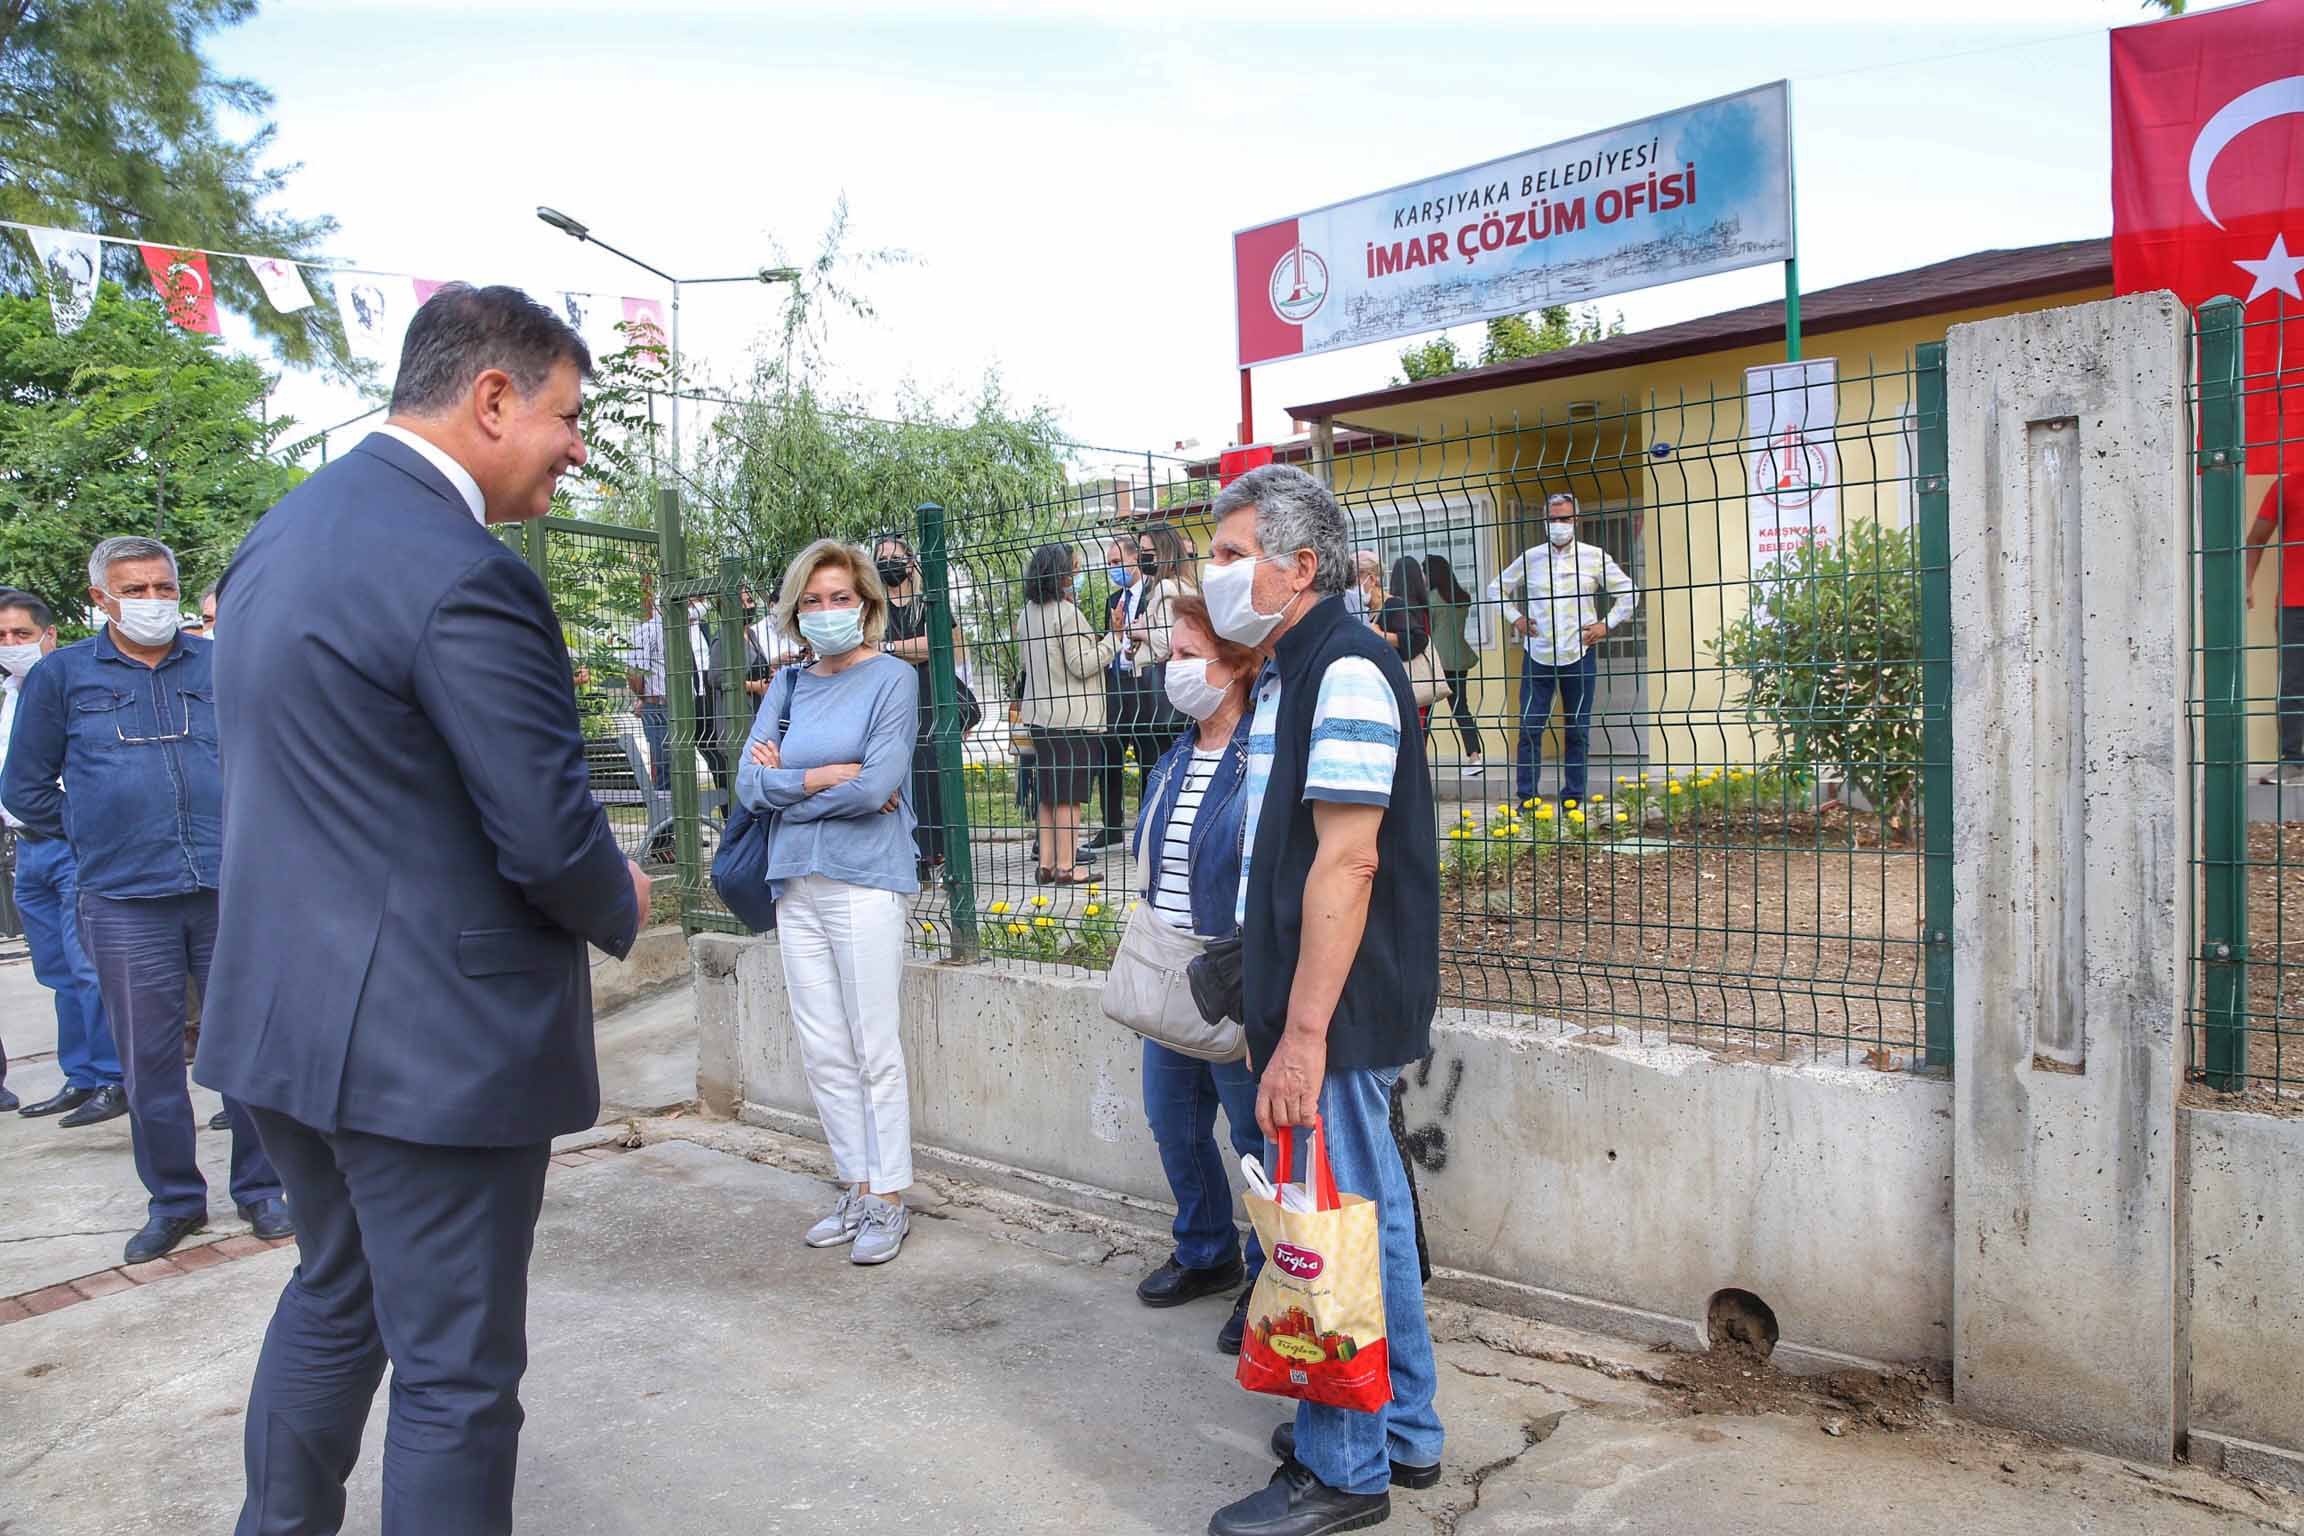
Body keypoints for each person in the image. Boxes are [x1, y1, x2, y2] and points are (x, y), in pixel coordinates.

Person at [194, 283, 650, 1535]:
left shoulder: (281, 536)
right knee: (456, 1375)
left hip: (285, 1020)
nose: (575, 449)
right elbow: (550, 833)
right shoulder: (465, 574)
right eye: (567, 417)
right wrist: (624, 892)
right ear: (492, 398)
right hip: (427, 1046)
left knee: (336, 1296)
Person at [1201, 463, 1444, 1536]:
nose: (1214, 576)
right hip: (1337, 998)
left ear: (1301, 566)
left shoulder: (1342, 668)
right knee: (1370, 1210)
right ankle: (1401, 1429)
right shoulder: (1299, 669)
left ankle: (1343, 1467)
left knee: (1324, 1223)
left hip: (1333, 1008)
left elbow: (1345, 863)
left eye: (1230, 555)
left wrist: (1300, 1037)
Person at [2, 537, 287, 1266]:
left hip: (231, 889)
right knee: (150, 1062)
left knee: (248, 1051)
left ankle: (261, 1189)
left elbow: (274, 752)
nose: (152, 601)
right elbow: (24, 787)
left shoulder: (221, 665)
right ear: (100, 599)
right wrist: (90, 831)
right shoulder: (63, 678)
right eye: (135, 589)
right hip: (125, 900)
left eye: (163, 587)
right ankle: (175, 1202)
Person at [736, 538, 921, 1265]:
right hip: (795, 882)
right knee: (822, 1047)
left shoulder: (891, 681)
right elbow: (750, 788)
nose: (826, 611)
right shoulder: (786, 687)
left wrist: (791, 788)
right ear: (794, 611)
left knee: (873, 1044)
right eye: (812, 601)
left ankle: (890, 1198)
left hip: (865, 880)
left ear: (867, 604)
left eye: (840, 598)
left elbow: (878, 788)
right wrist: (817, 784)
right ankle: (856, 1181)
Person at [1128, 593, 1266, 1355]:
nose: (1171, 669)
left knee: (1253, 1139)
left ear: (1237, 664)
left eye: (1187, 655)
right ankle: (1206, 1249)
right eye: (1171, 654)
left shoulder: (1260, 755)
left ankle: (1267, 1277)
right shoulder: (1179, 750)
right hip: (1167, 969)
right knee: (1172, 1121)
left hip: (1231, 973)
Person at [0, 590, 125, 1126]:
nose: (12, 646)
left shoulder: (77, 686)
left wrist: (78, 828)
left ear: (49, 635)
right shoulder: (8, 695)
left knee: (89, 967)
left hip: (72, 846)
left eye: (22, 635)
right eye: (2, 638)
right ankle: (82, 1076)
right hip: (27, 851)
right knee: (55, 972)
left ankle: (114, 1077)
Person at [1499, 492, 1636, 807]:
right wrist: (1516, 618)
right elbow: (1497, 589)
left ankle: (1573, 796)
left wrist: (1606, 624)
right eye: (1553, 519)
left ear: (1576, 520)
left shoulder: (1593, 556)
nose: (1558, 524)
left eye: (1565, 518)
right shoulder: (1530, 558)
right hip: (1539, 655)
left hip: (1580, 654)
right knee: (1530, 727)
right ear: (1544, 522)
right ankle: (1527, 798)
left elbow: (1629, 592)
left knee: (1577, 729)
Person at [1018, 542, 1122, 884]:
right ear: (1061, 573)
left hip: (1040, 717)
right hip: (1074, 718)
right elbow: (1082, 664)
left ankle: (1045, 865)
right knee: (1070, 797)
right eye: (1073, 570)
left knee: (1047, 793)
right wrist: (1112, 639)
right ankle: (1067, 866)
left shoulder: (1027, 613)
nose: (1075, 576)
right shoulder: (1067, 614)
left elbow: (1025, 665)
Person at [877, 533, 962, 881]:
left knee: (930, 777)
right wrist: (905, 649)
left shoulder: (928, 602)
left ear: (911, 562)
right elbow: (867, 645)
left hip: (929, 699)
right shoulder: (874, 606)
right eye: (880, 558)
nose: (887, 564)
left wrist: (890, 647)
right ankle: (905, 854)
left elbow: (938, 643)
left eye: (893, 557)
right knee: (896, 776)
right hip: (889, 702)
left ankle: (936, 854)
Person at [1122, 521, 1195, 779]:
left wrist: (1139, 631)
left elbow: (1167, 642)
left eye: (1147, 551)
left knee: (1154, 771)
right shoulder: (1186, 584)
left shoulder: (1166, 588)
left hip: (1157, 694)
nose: (1142, 557)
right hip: (1176, 691)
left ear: (1163, 551)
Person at [2245, 472, 2304, 784]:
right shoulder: (2287, 486)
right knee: (2293, 684)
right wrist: (2246, 581)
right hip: (2295, 603)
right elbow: (2255, 538)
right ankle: (2292, 759)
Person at [1088, 534, 1143, 853]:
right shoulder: (1112, 600)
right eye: (1109, 563)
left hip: (1144, 685)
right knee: (1109, 757)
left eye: (1117, 562)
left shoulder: (1153, 594)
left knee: (1148, 756)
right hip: (1116, 686)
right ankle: (1111, 826)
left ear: (1135, 559)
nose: (1113, 568)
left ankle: (1147, 826)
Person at [1423, 555, 1486, 777]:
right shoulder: (1462, 597)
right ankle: (1474, 757)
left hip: (1436, 660)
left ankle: (1419, 760)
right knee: (1461, 709)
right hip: (1459, 658)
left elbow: (1426, 628)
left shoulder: (1431, 598)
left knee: (1424, 710)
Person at [627, 580, 668, 791]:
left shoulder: (675, 628)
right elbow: (634, 673)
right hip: (659, 708)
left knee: (680, 772)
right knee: (666, 770)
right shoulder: (647, 630)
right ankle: (666, 824)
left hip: (681, 708)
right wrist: (645, 699)